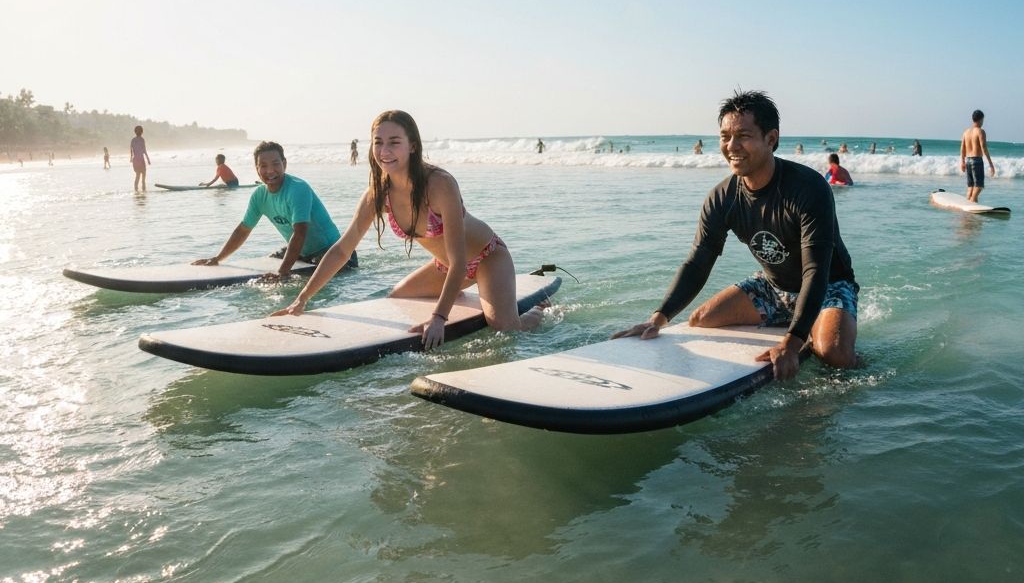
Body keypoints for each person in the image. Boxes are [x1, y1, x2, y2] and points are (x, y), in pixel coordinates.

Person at [613, 90, 859, 378]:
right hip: (774, 287)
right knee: (701, 320)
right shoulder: (722, 197)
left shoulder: (808, 188)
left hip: (829, 285)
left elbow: (816, 271)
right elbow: (698, 261)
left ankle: (821, 329)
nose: (732, 146)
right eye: (724, 136)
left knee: (833, 354)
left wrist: (792, 343)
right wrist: (659, 316)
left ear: (771, 139)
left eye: (743, 135)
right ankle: (800, 321)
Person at [273, 110, 547, 348]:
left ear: (412, 146)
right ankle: (465, 297)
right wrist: (302, 299)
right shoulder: (377, 194)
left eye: (394, 142)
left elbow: (461, 262)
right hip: (446, 266)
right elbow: (343, 249)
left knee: (506, 330)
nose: (384, 151)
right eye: (378, 142)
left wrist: (439, 318)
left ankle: (539, 309)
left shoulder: (439, 185)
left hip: (487, 257)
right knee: (398, 298)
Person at [193, 141, 355, 279]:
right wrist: (218, 258)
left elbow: (300, 232)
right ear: (257, 168)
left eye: (276, 164)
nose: (270, 171)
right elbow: (243, 229)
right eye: (263, 166)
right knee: (269, 265)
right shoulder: (259, 196)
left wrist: (282, 273)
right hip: (304, 254)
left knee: (296, 280)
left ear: (284, 164)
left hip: (336, 254)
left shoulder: (298, 189)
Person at [960, 110, 995, 203]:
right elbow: (984, 148)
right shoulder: (980, 131)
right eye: (983, 120)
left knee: (971, 187)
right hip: (977, 161)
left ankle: (968, 208)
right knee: (979, 186)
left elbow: (962, 148)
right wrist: (991, 164)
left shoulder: (966, 132)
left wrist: (962, 162)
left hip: (967, 160)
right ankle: (972, 202)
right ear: (980, 119)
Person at [129, 126, 151, 191]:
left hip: (135, 160)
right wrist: (148, 159)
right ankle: (143, 191)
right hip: (141, 160)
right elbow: (144, 150)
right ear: (142, 132)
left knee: (137, 176)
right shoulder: (142, 139)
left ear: (135, 132)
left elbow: (131, 151)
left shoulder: (133, 140)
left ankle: (136, 192)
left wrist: (131, 158)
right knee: (143, 177)